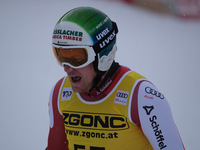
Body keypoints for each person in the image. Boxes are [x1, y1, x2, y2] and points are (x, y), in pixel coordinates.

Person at [46, 7, 185, 150]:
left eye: (76, 58)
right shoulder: (60, 93)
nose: (67, 67)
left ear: (102, 55)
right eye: (60, 56)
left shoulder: (141, 96)